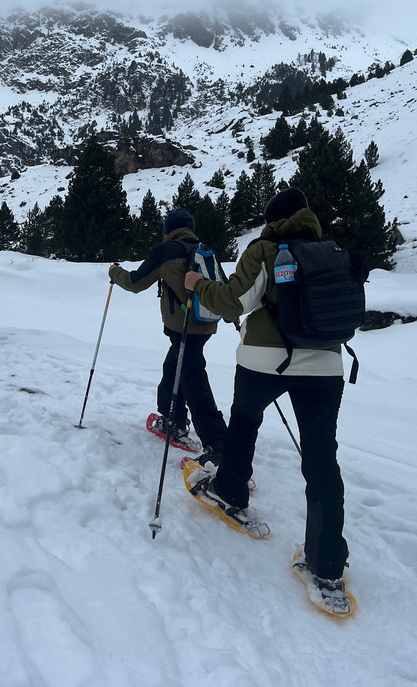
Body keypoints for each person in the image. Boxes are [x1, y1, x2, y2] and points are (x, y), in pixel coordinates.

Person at [183, 186, 350, 596]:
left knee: (244, 423)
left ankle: (230, 490)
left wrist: (198, 284)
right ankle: (327, 563)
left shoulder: (265, 249)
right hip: (326, 365)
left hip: (264, 361)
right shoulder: (331, 251)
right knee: (322, 458)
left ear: (274, 219)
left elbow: (233, 301)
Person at [108, 209, 226, 456]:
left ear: (168, 230)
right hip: (206, 323)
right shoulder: (205, 250)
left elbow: (135, 283)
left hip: (184, 326)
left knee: (193, 378)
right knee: (174, 367)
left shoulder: (166, 250)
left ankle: (219, 445)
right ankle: (173, 419)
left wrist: (114, 272)